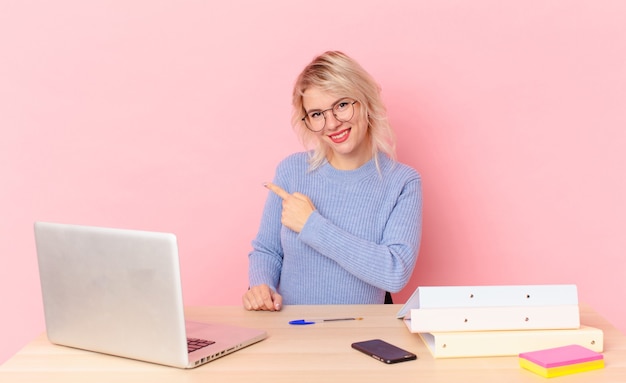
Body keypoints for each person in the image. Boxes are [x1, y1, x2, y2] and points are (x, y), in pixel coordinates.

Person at [242, 51, 422, 311]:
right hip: (291, 331)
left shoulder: (402, 182)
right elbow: (267, 251)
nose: (332, 123)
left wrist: (311, 225)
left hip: (360, 338)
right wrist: (262, 287)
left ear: (365, 101)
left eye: (341, 105)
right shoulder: (292, 171)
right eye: (316, 114)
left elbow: (394, 271)